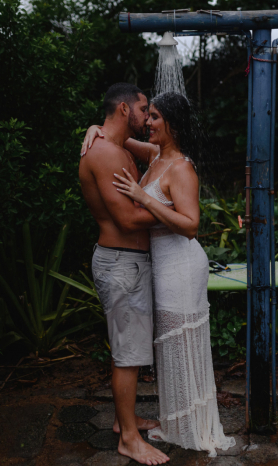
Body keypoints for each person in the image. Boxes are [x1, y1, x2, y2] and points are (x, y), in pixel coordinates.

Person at [81, 92, 235, 456]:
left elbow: (192, 224)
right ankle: (178, 422)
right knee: (167, 348)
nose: (147, 122)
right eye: (145, 115)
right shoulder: (153, 155)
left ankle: (194, 427)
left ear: (172, 125)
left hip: (181, 266)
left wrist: (145, 197)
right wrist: (93, 128)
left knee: (182, 343)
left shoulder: (181, 167)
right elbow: (115, 136)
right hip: (158, 266)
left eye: (154, 117)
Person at [79, 82, 170, 465]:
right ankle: (129, 440)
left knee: (129, 349)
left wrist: (92, 127)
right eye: (143, 109)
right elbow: (129, 218)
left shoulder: (113, 146)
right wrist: (177, 214)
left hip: (127, 263)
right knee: (128, 356)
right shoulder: (105, 155)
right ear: (122, 109)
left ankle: (123, 421)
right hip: (121, 263)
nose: (148, 116)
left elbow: (161, 152)